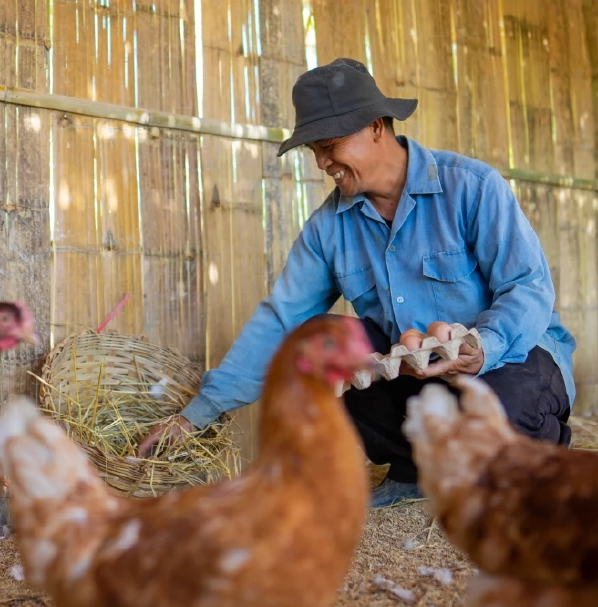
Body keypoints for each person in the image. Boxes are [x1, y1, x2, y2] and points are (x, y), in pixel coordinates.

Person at [139, 58, 575, 507]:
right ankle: (414, 468)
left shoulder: (472, 187)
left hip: (511, 360)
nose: (323, 162)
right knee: (324, 356)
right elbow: (281, 320)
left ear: (375, 127)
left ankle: (539, 452)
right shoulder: (329, 227)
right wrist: (196, 417)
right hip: (418, 376)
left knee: (503, 420)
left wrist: (482, 346)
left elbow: (529, 286)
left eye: (330, 144)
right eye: (315, 149)